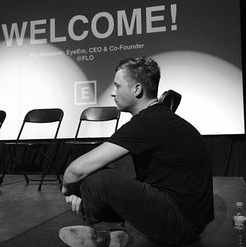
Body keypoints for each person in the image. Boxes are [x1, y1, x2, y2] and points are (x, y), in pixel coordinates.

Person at [59, 57, 214, 247]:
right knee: (106, 169)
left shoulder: (148, 122)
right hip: (190, 221)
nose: (113, 93)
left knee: (95, 179)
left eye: (117, 86)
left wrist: (70, 188)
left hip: (181, 225)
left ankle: (103, 235)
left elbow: (76, 170)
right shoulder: (159, 118)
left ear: (137, 90)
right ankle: (113, 232)